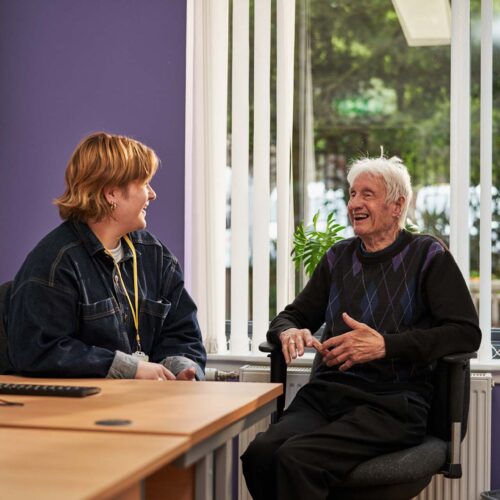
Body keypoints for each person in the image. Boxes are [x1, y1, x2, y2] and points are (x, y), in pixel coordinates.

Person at [241, 155, 481, 500]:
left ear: (397, 206)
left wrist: (386, 345)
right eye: (352, 194)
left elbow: (465, 333)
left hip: (393, 404)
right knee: (260, 455)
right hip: (327, 396)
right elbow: (291, 315)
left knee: (296, 460)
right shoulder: (338, 258)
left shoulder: (428, 256)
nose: (354, 203)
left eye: (367, 194)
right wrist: (289, 332)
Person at [5, 132, 206, 381]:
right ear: (111, 193)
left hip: (148, 405)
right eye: (144, 184)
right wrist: (129, 368)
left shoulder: (157, 257)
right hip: (78, 412)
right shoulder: (55, 262)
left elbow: (184, 334)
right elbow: (39, 351)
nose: (152, 195)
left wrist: (181, 368)